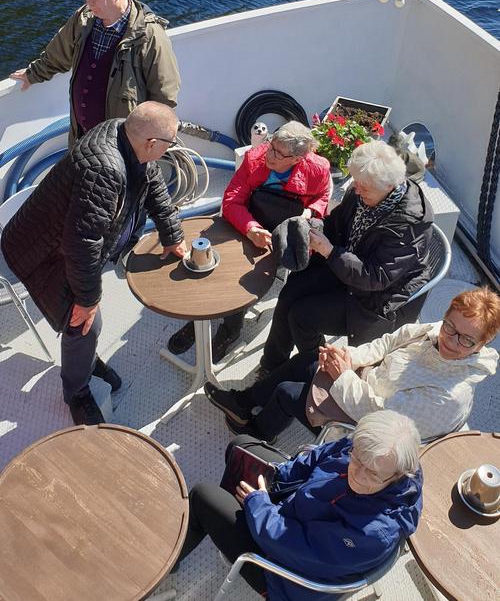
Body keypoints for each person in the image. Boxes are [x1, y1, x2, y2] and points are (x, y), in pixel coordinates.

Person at [1, 102, 187, 426]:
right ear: (151, 143)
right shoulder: (105, 169)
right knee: (86, 324)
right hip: (42, 252)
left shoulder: (125, 132)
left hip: (66, 242)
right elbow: (82, 244)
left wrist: (172, 234)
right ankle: (77, 392)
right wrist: (87, 300)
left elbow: (153, 183)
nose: (170, 149)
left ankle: (84, 360)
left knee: (86, 321)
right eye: (169, 143)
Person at [174, 410, 422, 601]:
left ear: (399, 475)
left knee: (203, 496)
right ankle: (225, 520)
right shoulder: (369, 449)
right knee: (240, 447)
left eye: (373, 474)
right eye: (356, 460)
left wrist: (257, 504)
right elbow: (318, 456)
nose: (358, 475)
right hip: (292, 512)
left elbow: (294, 546)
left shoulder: (373, 533)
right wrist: (278, 475)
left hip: (285, 574)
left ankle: (169, 559)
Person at [204, 287, 500, 442]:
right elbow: (386, 343)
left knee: (287, 393)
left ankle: (257, 435)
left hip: (368, 430)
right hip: (363, 384)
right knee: (308, 359)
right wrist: (348, 358)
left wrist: (344, 375)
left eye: (466, 340)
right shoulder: (435, 331)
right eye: (450, 326)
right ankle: (243, 404)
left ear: (483, 344)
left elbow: (379, 417)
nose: (451, 340)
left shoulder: (448, 396)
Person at [258, 140, 434, 374]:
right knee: (290, 292)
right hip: (348, 266)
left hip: (377, 297)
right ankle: (272, 366)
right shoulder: (363, 191)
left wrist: (329, 251)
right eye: (356, 183)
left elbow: (375, 277)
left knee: (302, 317)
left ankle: (322, 375)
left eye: (364, 188)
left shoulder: (408, 227)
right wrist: (310, 227)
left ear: (389, 186)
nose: (356, 190)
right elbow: (335, 224)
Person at [167, 122, 331, 361]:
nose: (269, 155)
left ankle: (231, 329)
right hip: (248, 222)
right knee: (215, 265)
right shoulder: (255, 158)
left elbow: (323, 196)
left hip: (283, 233)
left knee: (246, 281)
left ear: (298, 159)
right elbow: (232, 200)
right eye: (271, 146)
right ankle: (200, 318)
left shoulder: (318, 169)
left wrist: (310, 212)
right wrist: (251, 228)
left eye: (278, 153)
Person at [9, 0, 180, 147]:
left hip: (122, 147)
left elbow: (164, 97)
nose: (88, 3)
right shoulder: (82, 19)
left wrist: (147, 144)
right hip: (82, 139)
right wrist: (32, 74)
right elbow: (57, 55)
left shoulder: (149, 35)